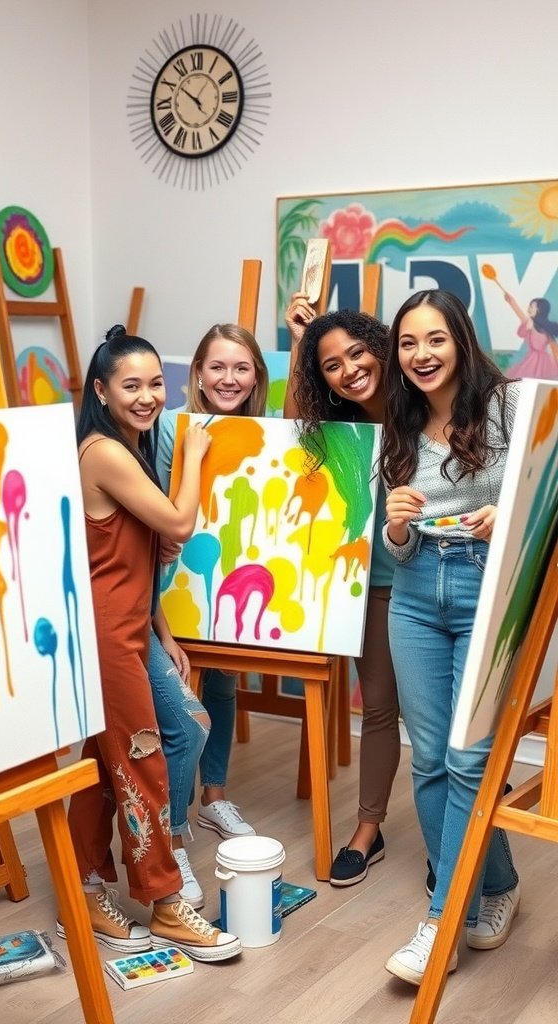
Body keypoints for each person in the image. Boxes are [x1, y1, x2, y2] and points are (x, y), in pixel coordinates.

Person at [62, 325, 241, 962]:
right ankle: (166, 904)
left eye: (155, 383)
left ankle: (83, 888)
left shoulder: (128, 450)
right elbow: (179, 522)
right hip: (109, 638)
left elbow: (137, 557)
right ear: (103, 391)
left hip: (131, 631)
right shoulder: (104, 452)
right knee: (142, 758)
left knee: (115, 757)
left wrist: (161, 633)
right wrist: (192, 452)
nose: (147, 396)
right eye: (130, 385)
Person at [380, 289, 520, 986]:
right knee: (430, 760)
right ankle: (492, 885)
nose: (421, 355)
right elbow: (395, 549)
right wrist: (397, 526)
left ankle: (442, 919)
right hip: (412, 600)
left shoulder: (511, 407)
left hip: (484, 593)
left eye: (434, 339)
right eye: (408, 343)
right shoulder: (397, 422)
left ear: (461, 340)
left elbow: (546, 497)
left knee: (470, 759)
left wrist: (510, 515)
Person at [283, 294, 400, 888]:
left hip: (443, 581)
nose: (350, 368)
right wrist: (302, 342)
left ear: (380, 347)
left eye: (357, 353)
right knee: (379, 709)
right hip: (372, 586)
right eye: (332, 364)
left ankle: (463, 839)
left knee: (448, 726)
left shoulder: (424, 406)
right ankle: (367, 829)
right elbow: (283, 439)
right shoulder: (337, 429)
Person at [153, 323, 269, 879]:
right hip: (168, 586)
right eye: (217, 366)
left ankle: (214, 797)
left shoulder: (265, 432)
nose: (229, 378)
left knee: (222, 682)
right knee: (181, 712)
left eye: (241, 367)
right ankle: (168, 826)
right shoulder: (168, 432)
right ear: (197, 372)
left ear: (256, 376)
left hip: (225, 582)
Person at [504, 292, 558, 379]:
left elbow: (553, 349)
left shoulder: (547, 329)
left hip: (545, 362)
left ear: (539, 310)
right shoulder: (530, 322)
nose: (528, 309)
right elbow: (519, 312)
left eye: (531, 307)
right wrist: (511, 301)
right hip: (532, 360)